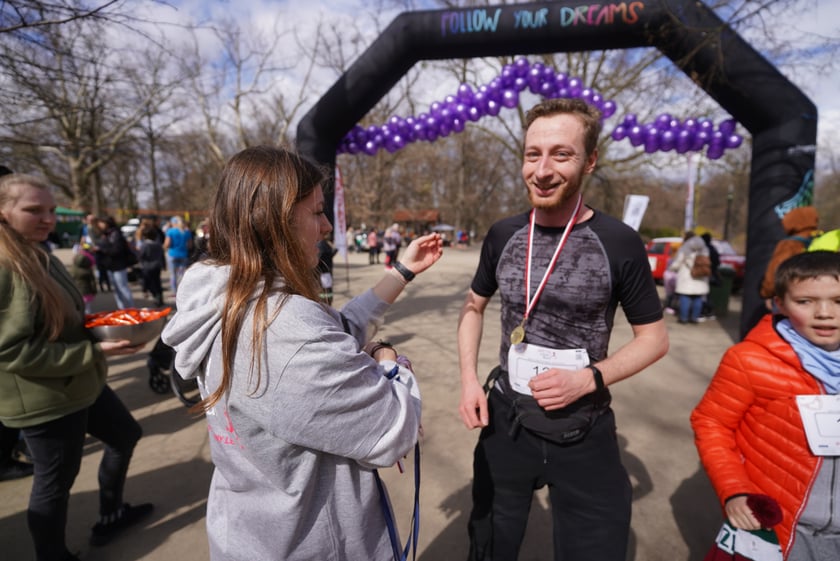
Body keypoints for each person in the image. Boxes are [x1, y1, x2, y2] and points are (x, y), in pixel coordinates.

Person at [160, 145, 443, 561]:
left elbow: (337, 329)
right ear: (271, 222)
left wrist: (401, 272)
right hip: (311, 546)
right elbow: (392, 430)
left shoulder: (226, 297)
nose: (327, 226)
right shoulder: (282, 331)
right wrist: (386, 359)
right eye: (316, 213)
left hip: (252, 534)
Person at [457, 98, 669, 561]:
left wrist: (589, 379)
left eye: (562, 154)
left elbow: (655, 338)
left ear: (590, 161)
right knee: (488, 543)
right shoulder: (502, 234)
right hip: (506, 420)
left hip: (584, 425)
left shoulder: (619, 242)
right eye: (533, 154)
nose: (543, 169)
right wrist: (470, 380)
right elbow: (474, 307)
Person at [0, 174, 152, 561]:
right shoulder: (5, 268)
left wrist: (102, 326)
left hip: (81, 384)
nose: (47, 218)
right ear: (3, 212)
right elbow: (12, 352)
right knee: (54, 486)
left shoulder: (41, 254)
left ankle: (111, 514)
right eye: (34, 210)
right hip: (47, 400)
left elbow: (65, 320)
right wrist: (96, 353)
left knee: (125, 435)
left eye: (51, 209)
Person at [691, 250, 840, 560]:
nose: (825, 313)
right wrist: (735, 490)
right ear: (779, 304)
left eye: (838, 301)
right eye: (805, 301)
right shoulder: (749, 361)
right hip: (783, 529)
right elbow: (711, 424)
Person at [760, 205, 820, 309]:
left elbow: (775, 269)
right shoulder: (823, 238)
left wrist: (768, 293)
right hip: (820, 294)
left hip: (791, 295)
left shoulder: (789, 243)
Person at [93, 215, 136, 309]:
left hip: (118, 266)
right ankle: (122, 310)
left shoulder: (115, 233)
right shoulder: (105, 234)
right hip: (110, 266)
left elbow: (116, 250)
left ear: (106, 223)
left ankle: (132, 310)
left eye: (101, 222)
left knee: (123, 288)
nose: (99, 225)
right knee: (117, 290)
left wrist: (101, 249)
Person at [669, 232, 711, 324]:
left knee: (685, 297)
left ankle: (683, 318)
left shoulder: (685, 247)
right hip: (701, 276)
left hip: (686, 276)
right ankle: (694, 318)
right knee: (698, 298)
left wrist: (672, 268)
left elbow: (678, 261)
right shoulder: (705, 248)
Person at [163, 215, 192, 296]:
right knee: (182, 275)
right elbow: (190, 245)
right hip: (183, 255)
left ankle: (174, 292)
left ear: (173, 223)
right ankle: (182, 292)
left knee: (173, 275)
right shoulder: (187, 231)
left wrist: (164, 247)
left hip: (172, 255)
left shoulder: (170, 231)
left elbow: (167, 244)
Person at [138, 225, 165, 306]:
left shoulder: (145, 245)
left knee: (150, 282)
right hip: (157, 266)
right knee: (157, 282)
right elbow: (161, 255)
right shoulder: (158, 244)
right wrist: (163, 265)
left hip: (147, 267)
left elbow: (142, 255)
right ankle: (159, 297)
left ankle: (155, 296)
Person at [69, 243, 97, 314]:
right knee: (87, 308)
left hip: (76, 292)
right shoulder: (88, 271)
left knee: (79, 308)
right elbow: (92, 282)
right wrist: (94, 291)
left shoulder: (72, 270)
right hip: (86, 292)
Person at [316, 232, 338, 305]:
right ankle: (326, 301)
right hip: (324, 271)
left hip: (325, 271)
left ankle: (327, 301)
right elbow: (321, 257)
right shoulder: (322, 244)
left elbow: (326, 255)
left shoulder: (323, 243)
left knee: (326, 288)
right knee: (325, 289)